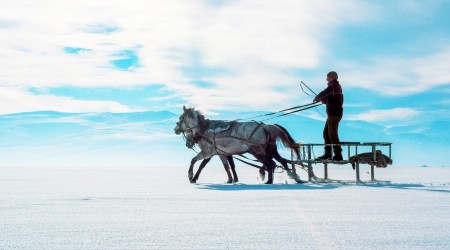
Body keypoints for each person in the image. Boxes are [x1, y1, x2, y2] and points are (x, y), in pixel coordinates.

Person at [313, 71, 344, 161]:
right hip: (332, 115)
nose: (326, 79)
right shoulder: (334, 87)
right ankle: (328, 154)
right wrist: (324, 100)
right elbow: (330, 98)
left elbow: (324, 93)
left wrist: (318, 98)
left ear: (333, 77)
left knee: (332, 134)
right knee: (326, 134)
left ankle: (338, 155)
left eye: (328, 77)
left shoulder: (333, 86)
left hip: (334, 114)